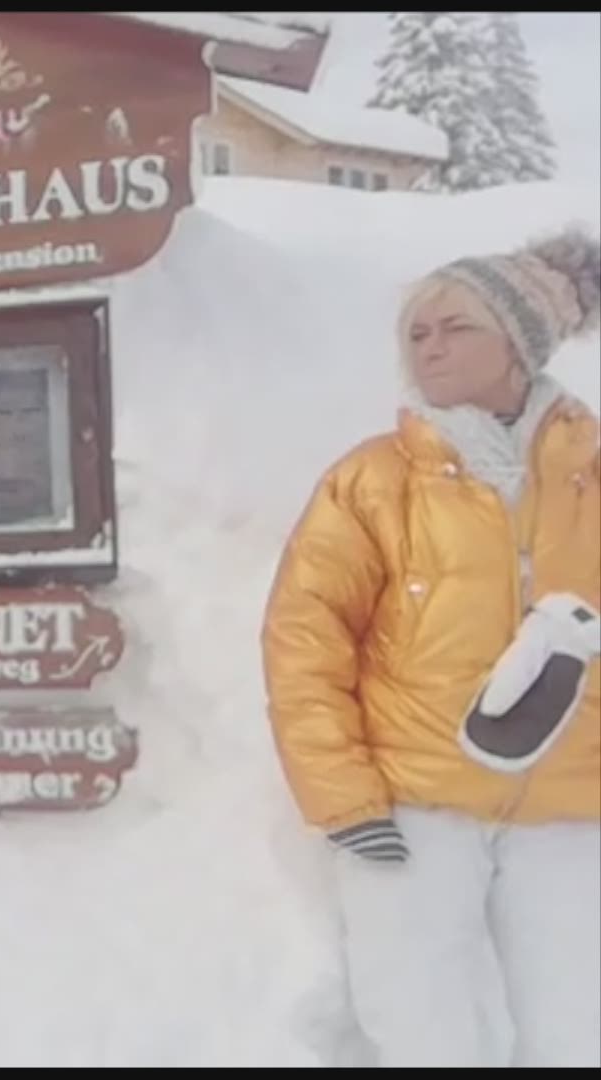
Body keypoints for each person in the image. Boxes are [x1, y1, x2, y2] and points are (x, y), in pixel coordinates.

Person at [261, 225, 600, 1068]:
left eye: (457, 327)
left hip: (573, 807)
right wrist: (345, 800)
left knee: (579, 1030)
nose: (430, 347)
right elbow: (305, 640)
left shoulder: (592, 474)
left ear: (520, 344)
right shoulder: (372, 480)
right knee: (423, 1030)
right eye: (417, 331)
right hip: (414, 806)